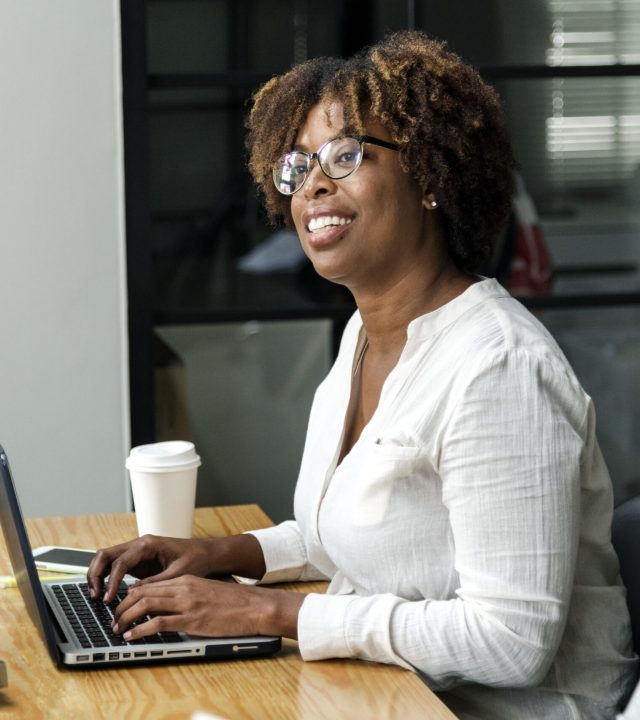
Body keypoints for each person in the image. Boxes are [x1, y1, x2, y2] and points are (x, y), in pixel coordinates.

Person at [88, 31, 638, 719]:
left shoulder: (498, 370)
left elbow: (513, 640)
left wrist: (270, 612)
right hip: (394, 696)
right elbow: (349, 538)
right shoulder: (364, 337)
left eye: (345, 156)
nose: (313, 184)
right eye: (297, 167)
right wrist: (213, 553)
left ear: (431, 177)